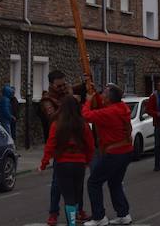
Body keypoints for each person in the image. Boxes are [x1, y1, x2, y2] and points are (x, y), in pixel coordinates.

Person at [40, 70, 88, 226]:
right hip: (60, 148)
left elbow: (82, 87)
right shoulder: (47, 100)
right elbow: (52, 116)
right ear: (52, 85)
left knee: (77, 185)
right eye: (58, 86)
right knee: (56, 184)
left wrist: (87, 81)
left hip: (75, 147)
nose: (62, 88)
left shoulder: (67, 91)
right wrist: (68, 103)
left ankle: (78, 210)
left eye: (63, 84)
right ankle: (53, 213)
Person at [82, 83, 133, 226]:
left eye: (104, 93)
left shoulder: (109, 112)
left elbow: (86, 115)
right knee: (115, 182)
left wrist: (88, 100)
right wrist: (94, 93)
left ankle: (99, 217)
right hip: (126, 150)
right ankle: (123, 214)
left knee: (93, 182)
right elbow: (102, 104)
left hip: (114, 153)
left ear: (109, 98)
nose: (102, 95)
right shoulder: (122, 107)